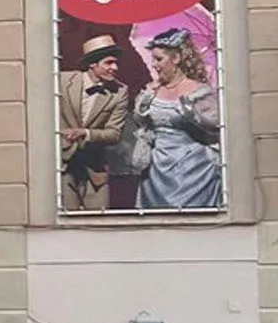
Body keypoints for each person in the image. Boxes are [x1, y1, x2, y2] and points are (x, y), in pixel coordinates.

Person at [134, 28, 222, 210]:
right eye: (153, 59)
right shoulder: (152, 90)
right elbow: (142, 124)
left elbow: (215, 127)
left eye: (159, 59)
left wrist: (193, 115)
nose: (154, 65)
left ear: (176, 59)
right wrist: (144, 103)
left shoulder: (198, 91)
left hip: (193, 169)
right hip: (156, 169)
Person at [59, 35, 129, 211]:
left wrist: (87, 133)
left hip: (94, 168)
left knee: (98, 220)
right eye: (109, 63)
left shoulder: (119, 92)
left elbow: (114, 134)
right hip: (63, 164)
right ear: (92, 64)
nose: (115, 68)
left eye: (116, 63)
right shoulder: (63, 81)